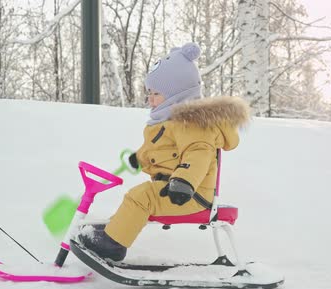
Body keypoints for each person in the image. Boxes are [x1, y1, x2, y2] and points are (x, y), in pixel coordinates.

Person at [79, 42, 250, 261]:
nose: (150, 99)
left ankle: (112, 244)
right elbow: (158, 149)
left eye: (156, 93)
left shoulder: (193, 123)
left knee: (141, 196)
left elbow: (198, 153)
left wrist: (184, 182)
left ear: (176, 94)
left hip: (191, 195)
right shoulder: (167, 123)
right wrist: (138, 158)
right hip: (171, 189)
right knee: (140, 196)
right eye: (149, 93)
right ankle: (113, 232)